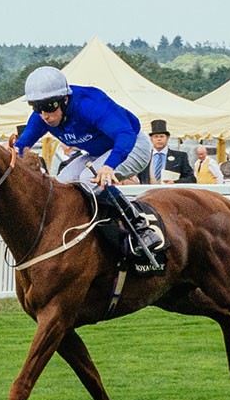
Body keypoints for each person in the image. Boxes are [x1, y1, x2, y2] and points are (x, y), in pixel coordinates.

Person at [12, 65, 158, 271]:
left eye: (50, 106)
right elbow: (22, 145)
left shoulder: (90, 105)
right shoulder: (42, 116)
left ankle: (139, 227)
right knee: (60, 185)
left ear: (65, 99)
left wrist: (109, 166)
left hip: (132, 145)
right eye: (37, 107)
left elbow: (124, 134)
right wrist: (8, 153)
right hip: (98, 152)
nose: (45, 115)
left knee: (89, 182)